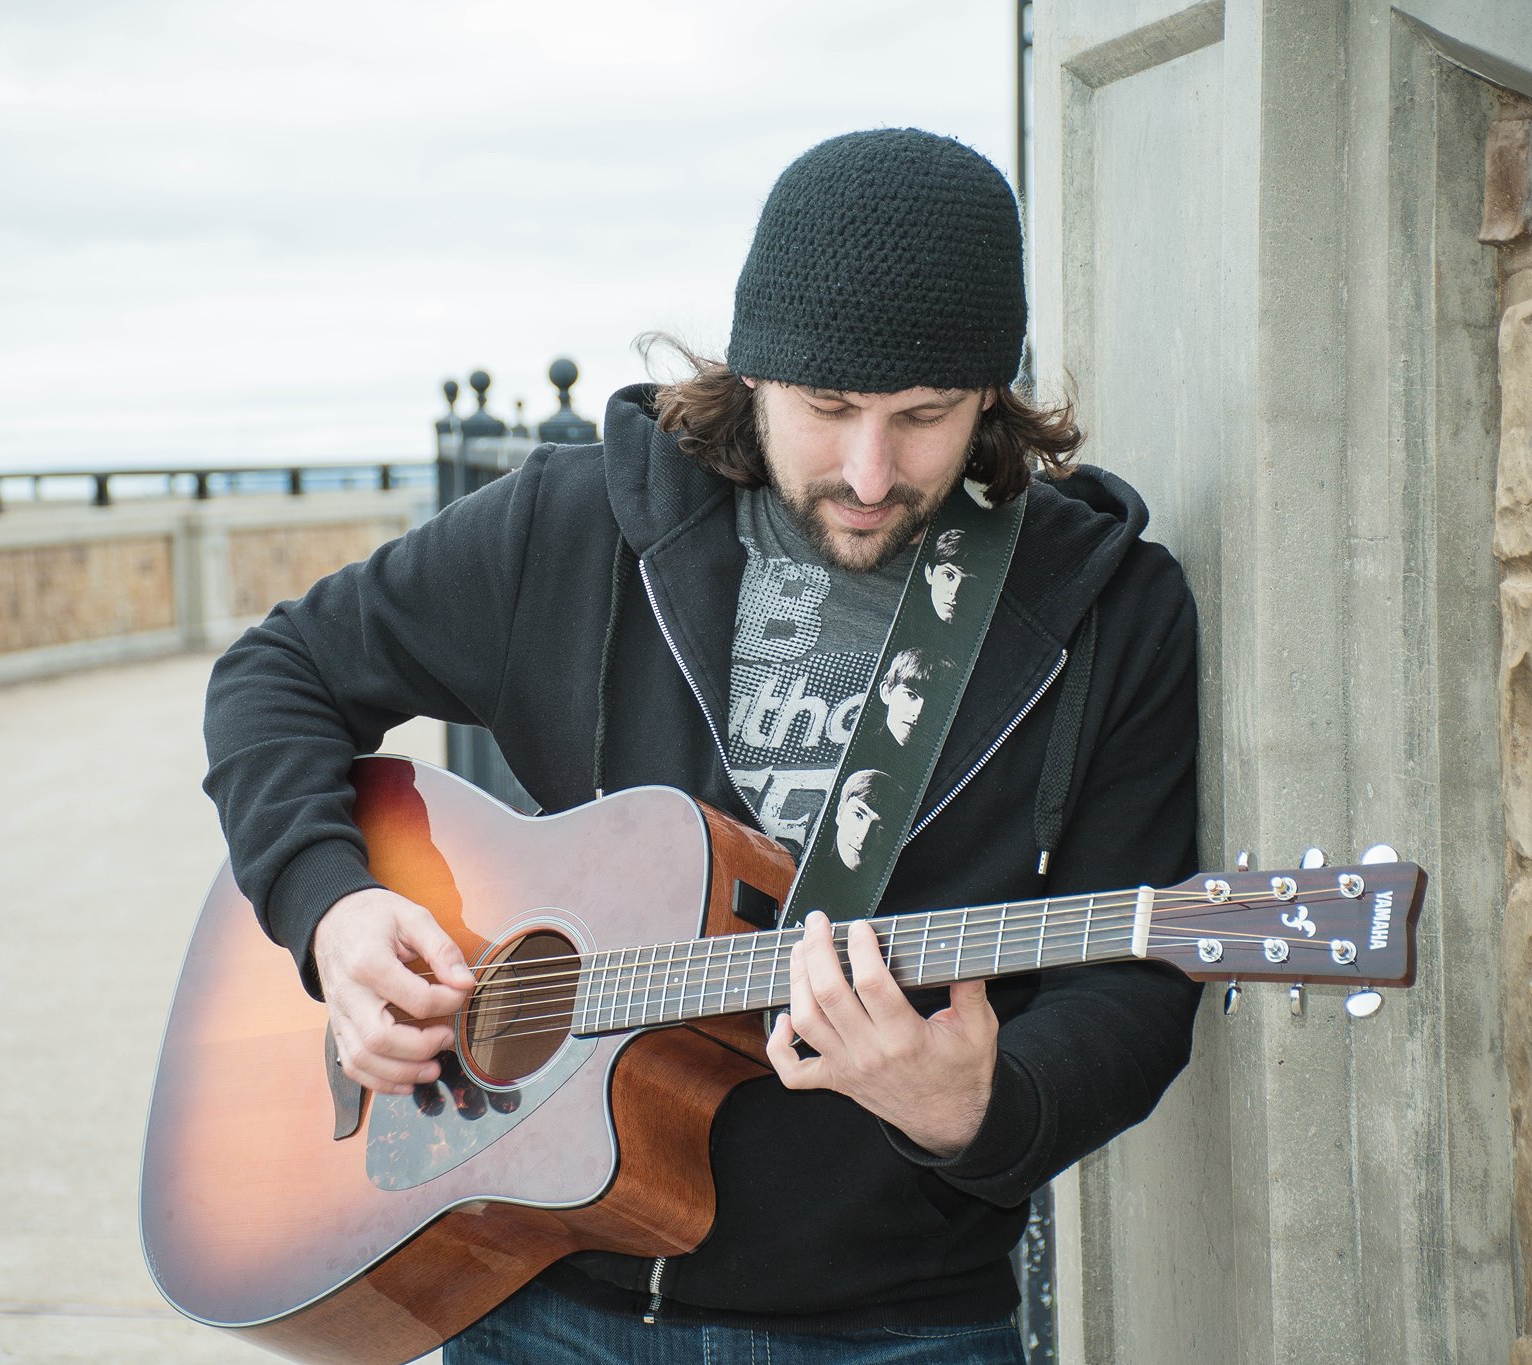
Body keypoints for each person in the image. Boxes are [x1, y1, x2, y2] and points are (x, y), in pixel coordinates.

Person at [203, 127, 1202, 1364]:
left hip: (898, 1324)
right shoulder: (575, 529)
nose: (869, 470)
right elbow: (277, 674)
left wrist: (980, 1113)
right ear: (753, 375)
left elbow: (1138, 977)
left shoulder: (1105, 611)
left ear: (990, 395)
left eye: (924, 416)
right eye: (826, 409)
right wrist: (334, 910)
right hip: (535, 1288)